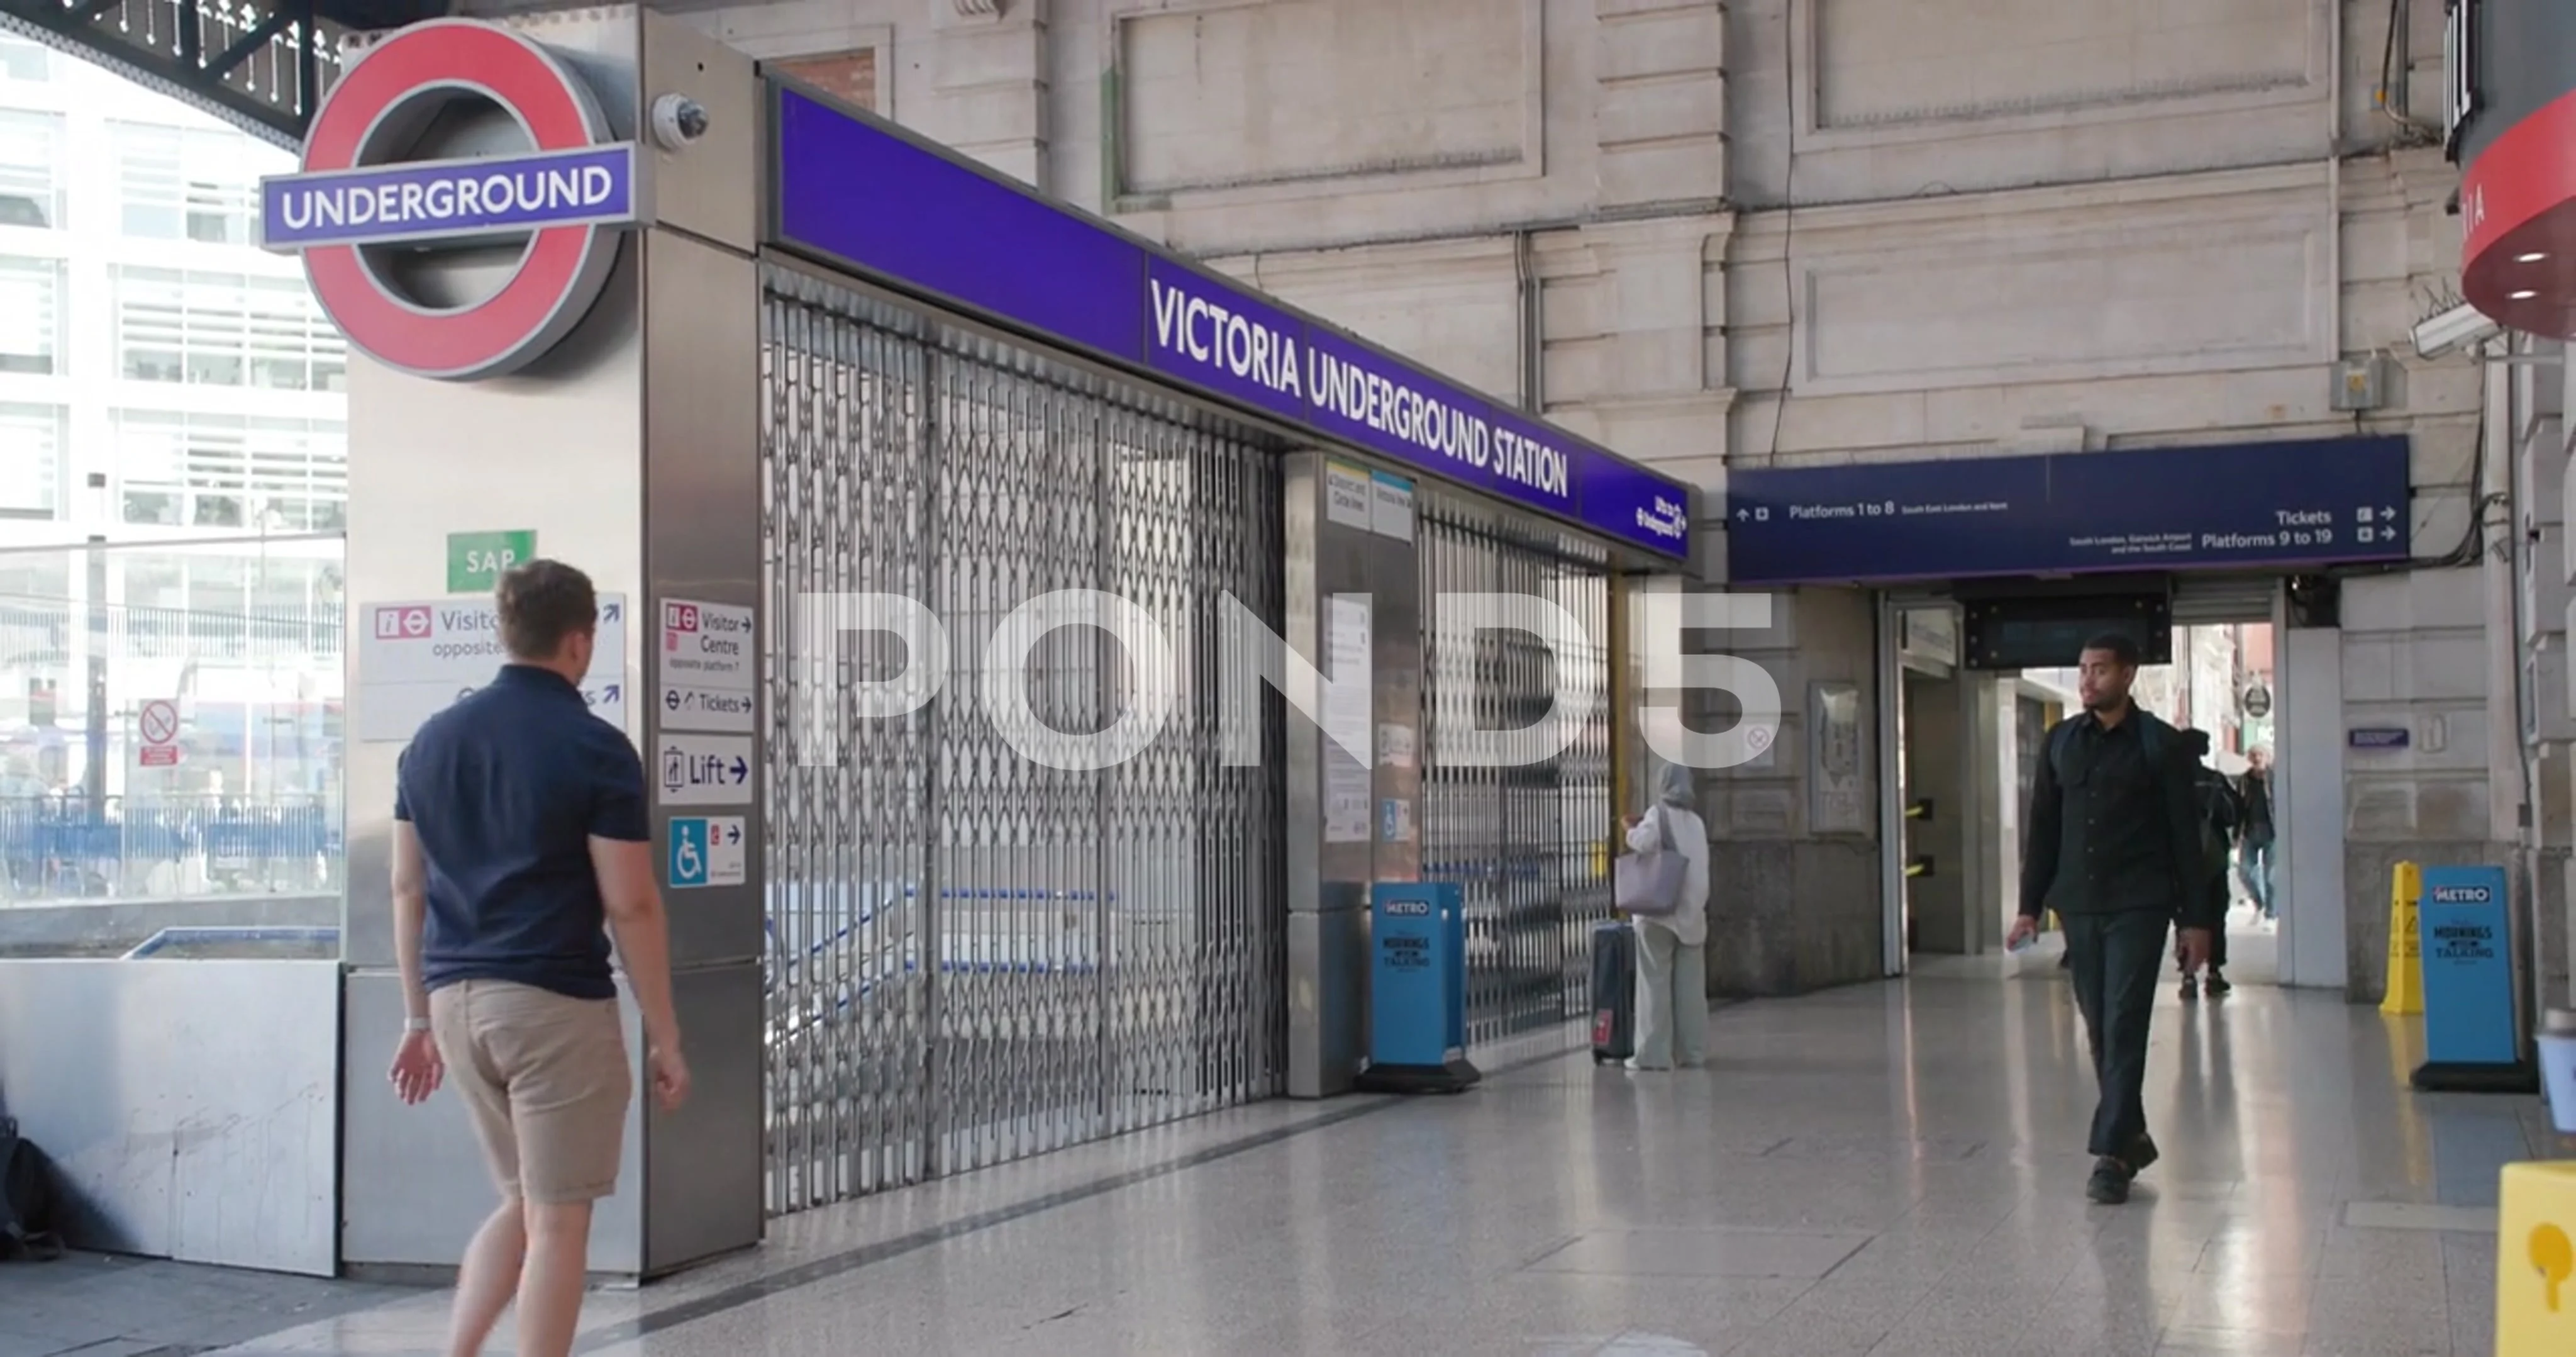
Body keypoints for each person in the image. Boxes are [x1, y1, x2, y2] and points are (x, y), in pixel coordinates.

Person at [384, 561, 690, 1357]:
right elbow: (630, 902)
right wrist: (665, 1033)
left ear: (504, 632)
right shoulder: (595, 749)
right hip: (552, 1002)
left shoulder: (430, 742)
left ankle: (459, 1351)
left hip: (456, 1003)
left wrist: (417, 1014)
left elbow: (404, 884)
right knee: (558, 1221)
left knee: (524, 1200)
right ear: (580, 643)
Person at [2006, 632, 2215, 1205]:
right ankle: (2132, 1136)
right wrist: (2029, 908)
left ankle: (2110, 1156)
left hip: (2140, 904)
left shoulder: (2160, 745)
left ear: (2128, 675)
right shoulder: (2059, 743)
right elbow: (2043, 831)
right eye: (2082, 669)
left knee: (2124, 1020)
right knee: (2099, 1024)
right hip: (2078, 903)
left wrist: (2196, 920)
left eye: (2100, 669)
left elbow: (2183, 839)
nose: (2087, 680)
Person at [1621, 763, 1710, 1071]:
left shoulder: (1658, 815)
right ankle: (1692, 1052)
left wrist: (1629, 829)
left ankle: (1653, 1055)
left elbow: (1643, 843)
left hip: (1659, 913)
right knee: (1690, 991)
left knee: (1654, 985)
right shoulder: (1697, 823)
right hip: (1692, 913)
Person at [2175, 729, 2241, 1000]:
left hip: (2179, 862)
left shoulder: (2171, 782)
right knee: (2216, 917)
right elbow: (2233, 814)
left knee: (2186, 919)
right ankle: (2214, 973)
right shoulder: (2214, 781)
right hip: (2212, 861)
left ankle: (2188, 975)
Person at [2236, 746, 2276, 920]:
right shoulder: (2244, 780)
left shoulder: (2274, 778)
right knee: (2245, 871)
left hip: (2272, 831)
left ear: (2267, 757)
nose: (2257, 758)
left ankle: (2271, 913)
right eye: (2253, 755)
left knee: (2272, 876)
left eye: (2261, 755)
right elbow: (2238, 805)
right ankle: (2259, 902)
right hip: (2249, 830)